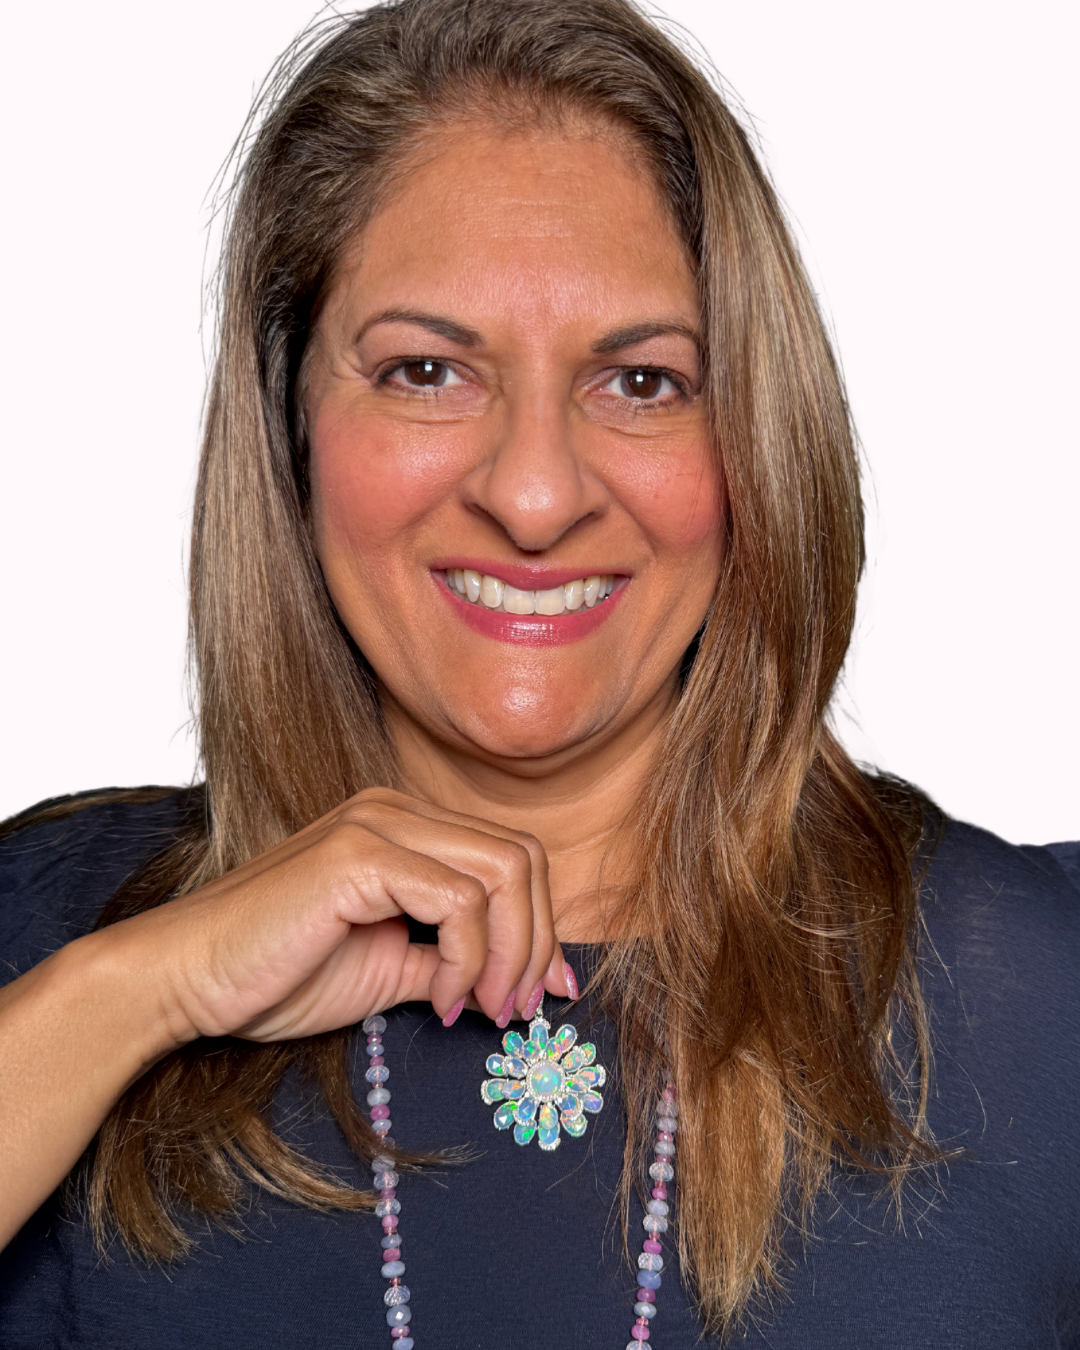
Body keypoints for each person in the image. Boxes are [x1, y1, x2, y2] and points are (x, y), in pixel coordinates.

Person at [0, 0, 1077, 1345]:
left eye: (641, 382)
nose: (532, 494)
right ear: (290, 425)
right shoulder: (51, 939)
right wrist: (133, 994)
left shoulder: (1040, 985)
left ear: (754, 434)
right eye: (427, 370)